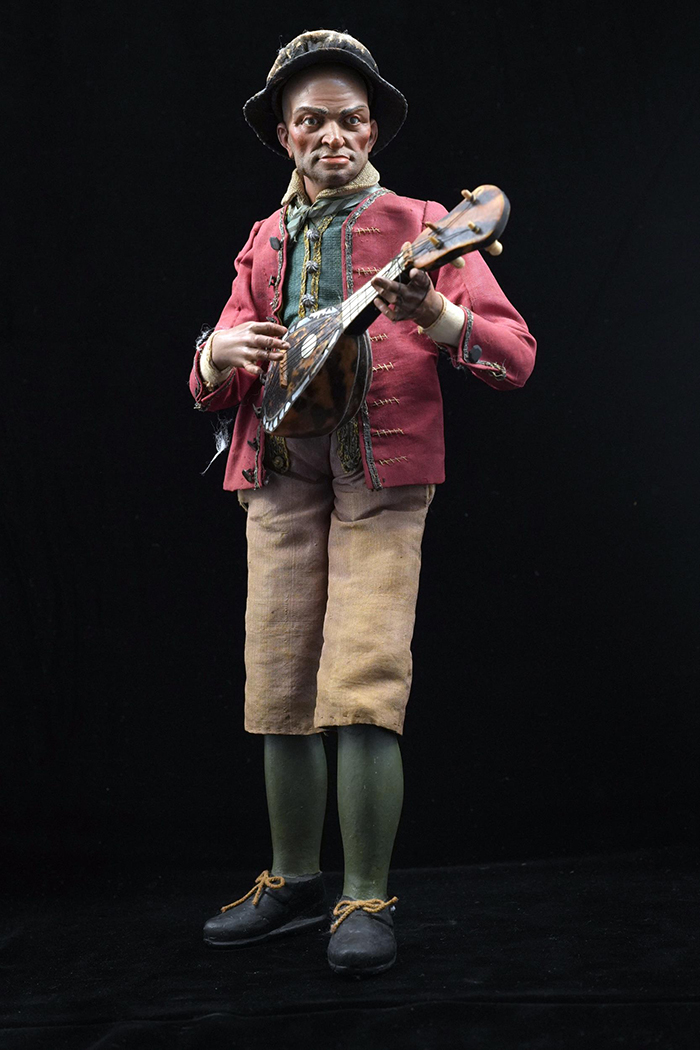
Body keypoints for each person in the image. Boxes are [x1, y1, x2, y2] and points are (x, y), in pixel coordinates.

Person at [189, 29, 536, 977]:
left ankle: (365, 894)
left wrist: (436, 313)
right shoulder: (263, 240)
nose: (332, 137)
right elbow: (217, 376)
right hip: (276, 476)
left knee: (363, 680)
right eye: (311, 122)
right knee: (279, 682)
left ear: (373, 126)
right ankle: (293, 881)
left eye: (348, 119)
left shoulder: (426, 226)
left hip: (380, 478)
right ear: (285, 136)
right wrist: (219, 355)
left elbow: (513, 357)